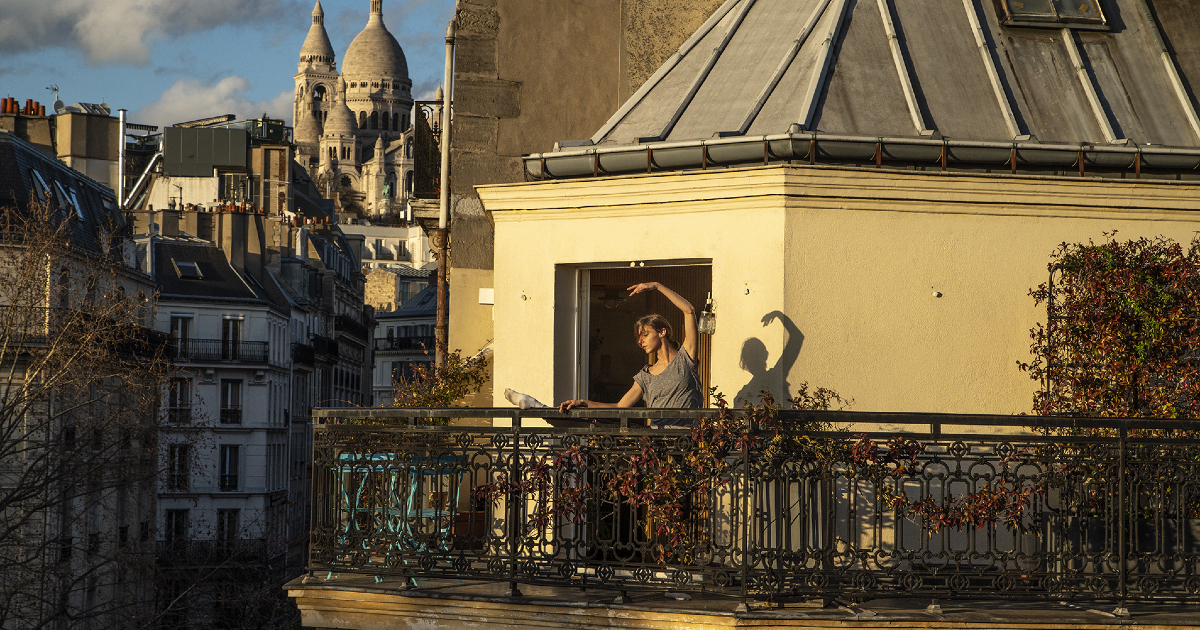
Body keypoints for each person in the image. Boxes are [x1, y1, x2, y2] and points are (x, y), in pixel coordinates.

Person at [558, 282, 702, 416]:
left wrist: (657, 286)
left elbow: (689, 310)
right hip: (656, 440)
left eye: (645, 335)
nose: (640, 341)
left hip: (686, 440)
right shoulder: (645, 375)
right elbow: (620, 406)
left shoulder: (685, 358)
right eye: (639, 338)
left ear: (662, 332)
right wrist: (582, 402)